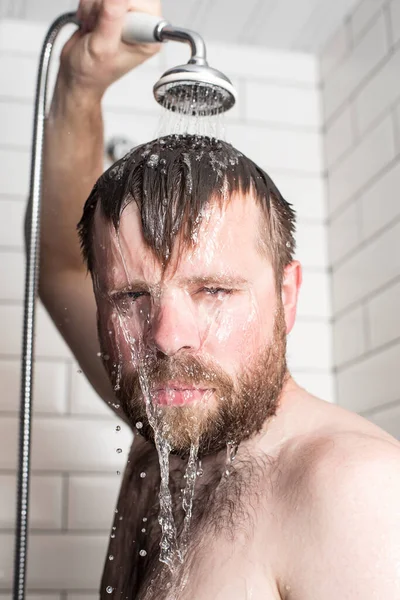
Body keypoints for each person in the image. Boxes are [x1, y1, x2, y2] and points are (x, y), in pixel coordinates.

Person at [36, 0, 400, 598]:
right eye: (130, 296)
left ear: (287, 293)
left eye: (213, 291)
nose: (166, 335)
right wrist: (80, 84)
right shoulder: (168, 417)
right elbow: (57, 268)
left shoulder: (352, 493)